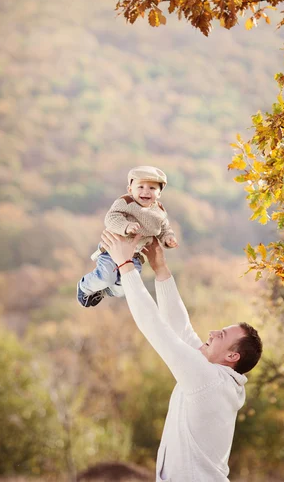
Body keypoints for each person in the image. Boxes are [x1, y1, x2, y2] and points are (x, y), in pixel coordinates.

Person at [100, 230, 263, 482]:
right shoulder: (214, 377)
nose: (211, 332)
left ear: (232, 355)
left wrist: (125, 267)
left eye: (220, 335)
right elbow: (181, 330)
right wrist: (161, 269)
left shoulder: (209, 380)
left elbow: (156, 328)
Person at [77, 166, 178, 308]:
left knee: (127, 287)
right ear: (130, 189)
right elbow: (111, 217)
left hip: (135, 256)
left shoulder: (159, 211)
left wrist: (168, 239)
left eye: (152, 188)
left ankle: (105, 291)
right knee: (106, 277)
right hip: (113, 249)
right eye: (140, 187)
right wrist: (125, 226)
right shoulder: (126, 202)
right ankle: (85, 287)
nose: (145, 191)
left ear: (159, 193)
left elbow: (164, 228)